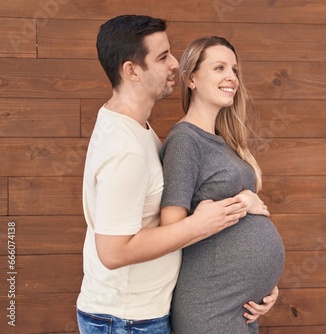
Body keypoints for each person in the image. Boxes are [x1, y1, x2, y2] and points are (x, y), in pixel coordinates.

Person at [76, 15, 277, 334]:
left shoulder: (139, 131)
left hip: (144, 311)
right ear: (131, 70)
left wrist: (255, 280)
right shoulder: (125, 147)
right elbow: (113, 252)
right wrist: (226, 211)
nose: (174, 64)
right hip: (127, 319)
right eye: (162, 57)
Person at [159, 36, 285, 334]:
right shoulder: (185, 141)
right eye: (219, 68)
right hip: (210, 306)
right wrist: (244, 202)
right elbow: (170, 232)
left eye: (234, 69)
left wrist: (265, 285)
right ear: (191, 78)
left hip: (240, 307)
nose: (231, 77)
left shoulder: (223, 141)